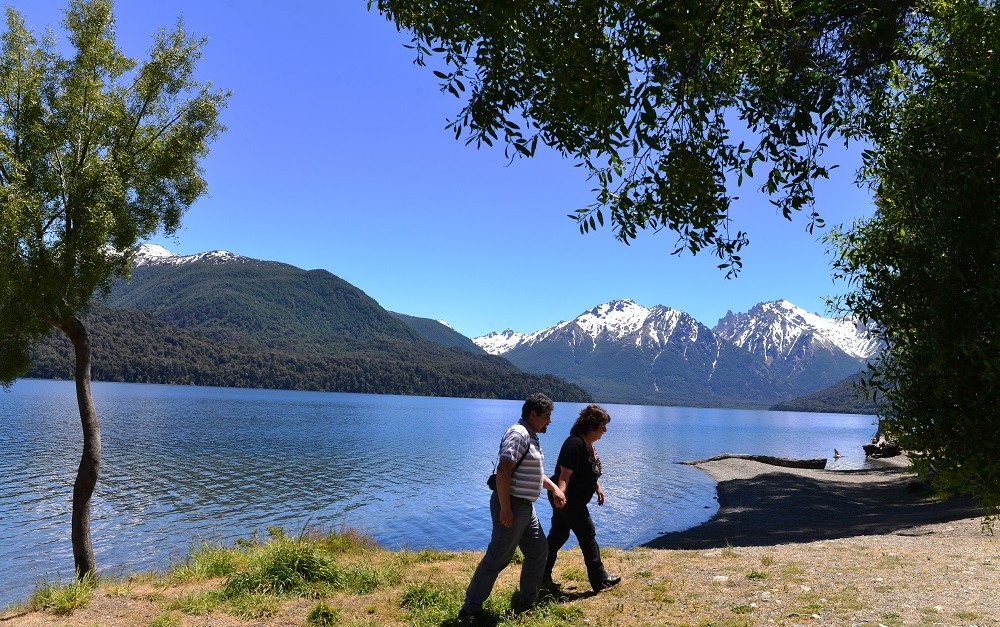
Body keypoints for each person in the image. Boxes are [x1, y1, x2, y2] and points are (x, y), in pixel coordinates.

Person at [459, 393, 567, 621]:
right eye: (547, 416)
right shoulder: (519, 434)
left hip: (526, 508)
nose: (550, 421)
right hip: (513, 505)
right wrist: (505, 508)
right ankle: (471, 608)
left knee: (538, 551)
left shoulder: (531, 436)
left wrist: (554, 489)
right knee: (498, 557)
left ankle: (527, 603)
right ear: (533, 414)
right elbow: (504, 469)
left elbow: (533, 473)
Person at [543, 403, 621, 593]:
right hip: (569, 500)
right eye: (603, 426)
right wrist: (560, 495)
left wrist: (597, 487)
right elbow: (564, 475)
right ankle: (599, 579)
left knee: (558, 536)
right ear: (591, 426)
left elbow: (586, 472)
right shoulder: (574, 444)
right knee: (588, 534)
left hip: (570, 499)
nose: (605, 430)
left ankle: (540, 576)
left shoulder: (587, 445)